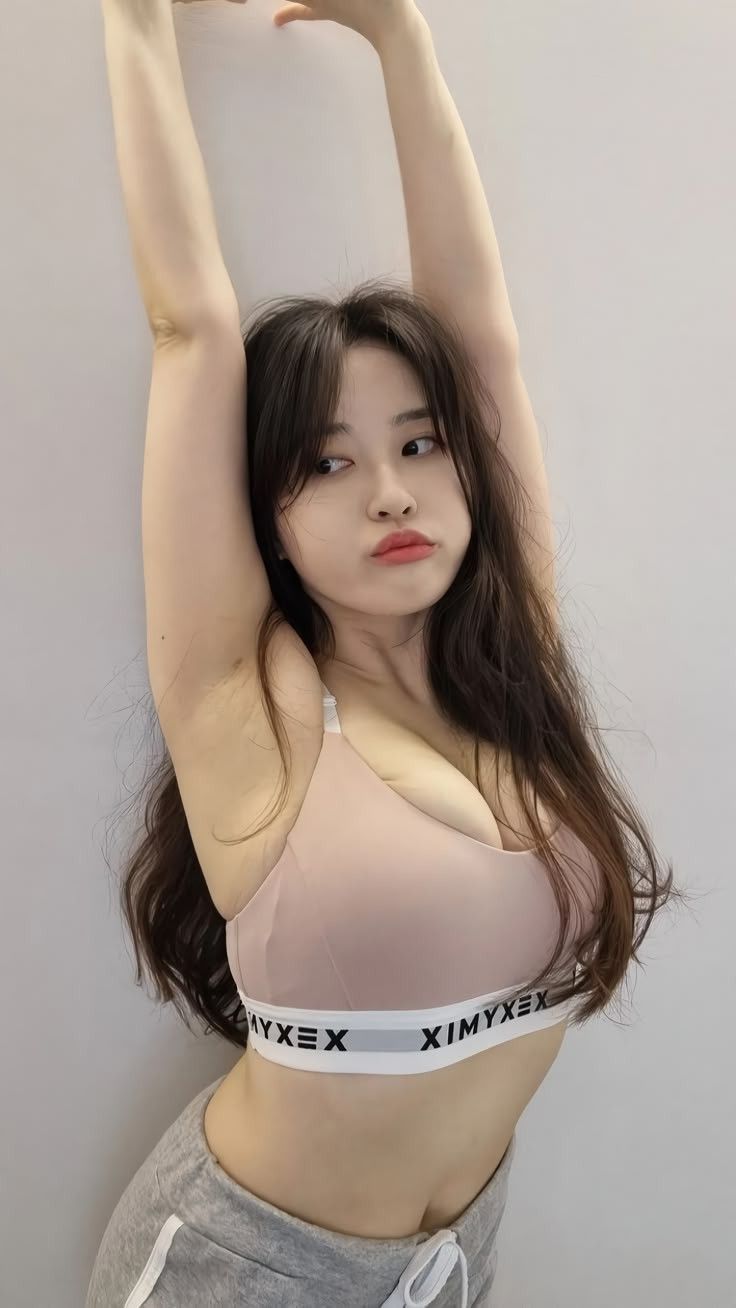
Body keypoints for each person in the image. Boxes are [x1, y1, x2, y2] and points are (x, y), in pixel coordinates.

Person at [87, 1, 680, 1304]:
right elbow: (190, 328)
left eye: (418, 444)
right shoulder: (250, 705)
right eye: (327, 464)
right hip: (246, 1270)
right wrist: (132, 21)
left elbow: (480, 341)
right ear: (268, 521)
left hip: (452, 1262)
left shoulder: (514, 678)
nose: (393, 492)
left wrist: (400, 36)